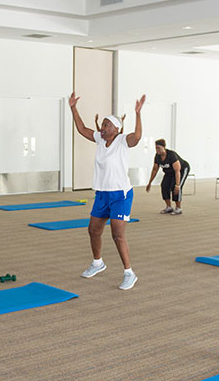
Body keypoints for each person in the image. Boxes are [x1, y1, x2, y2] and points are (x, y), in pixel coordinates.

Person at [70, 92, 145, 290]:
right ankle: (97, 263)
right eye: (102, 125)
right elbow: (81, 129)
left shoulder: (122, 141)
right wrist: (73, 108)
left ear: (117, 129)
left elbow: (137, 137)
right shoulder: (99, 140)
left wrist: (138, 114)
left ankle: (129, 273)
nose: (102, 128)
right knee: (93, 230)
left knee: (117, 234)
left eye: (106, 125)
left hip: (121, 194)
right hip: (102, 194)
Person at [145, 139, 190, 215]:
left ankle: (178, 208)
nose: (157, 150)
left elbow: (177, 171)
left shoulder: (171, 155)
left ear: (164, 147)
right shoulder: (157, 157)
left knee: (175, 187)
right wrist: (149, 183)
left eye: (159, 148)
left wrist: (177, 185)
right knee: (164, 185)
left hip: (181, 170)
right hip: (169, 172)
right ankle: (169, 207)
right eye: (156, 148)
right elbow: (155, 170)